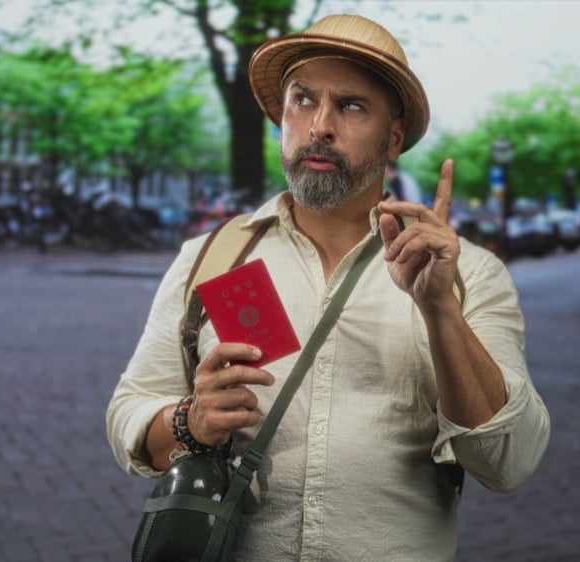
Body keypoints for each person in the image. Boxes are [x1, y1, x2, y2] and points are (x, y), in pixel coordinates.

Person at [107, 13, 550, 560]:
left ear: (393, 139)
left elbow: (509, 461)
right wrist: (192, 421)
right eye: (302, 100)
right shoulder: (215, 258)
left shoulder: (468, 275)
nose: (319, 125)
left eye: (351, 106)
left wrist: (441, 312)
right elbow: (128, 413)